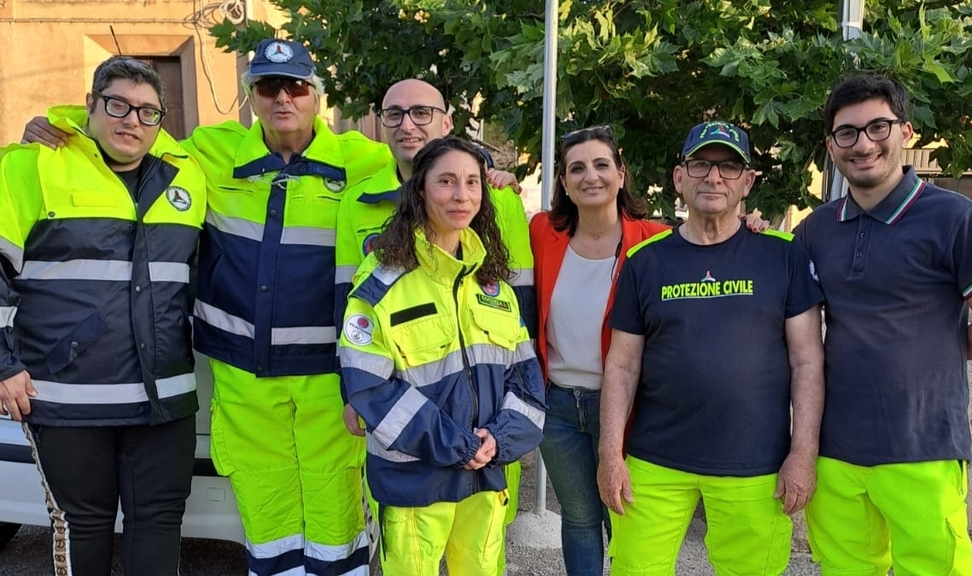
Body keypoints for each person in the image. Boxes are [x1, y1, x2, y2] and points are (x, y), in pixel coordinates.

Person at [19, 38, 394, 575]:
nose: (282, 98)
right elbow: (130, 134)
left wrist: (491, 175)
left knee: (335, 510)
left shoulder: (368, 159)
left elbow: (430, 174)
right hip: (243, 376)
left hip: (327, 375)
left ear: (317, 96)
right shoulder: (206, 152)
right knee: (266, 514)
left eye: (295, 87)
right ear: (251, 97)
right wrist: (63, 127)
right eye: (268, 86)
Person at [796, 74, 972, 576]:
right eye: (847, 133)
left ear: (906, 132)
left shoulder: (955, 217)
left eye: (878, 127)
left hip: (922, 447)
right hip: (835, 452)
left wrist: (926, 353)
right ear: (831, 146)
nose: (863, 144)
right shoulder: (815, 229)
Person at [0, 57, 205, 575]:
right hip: (67, 398)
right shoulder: (31, 165)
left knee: (159, 521)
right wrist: (3, 364)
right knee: (83, 525)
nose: (132, 121)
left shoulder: (189, 173)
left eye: (147, 112)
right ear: (90, 104)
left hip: (164, 401)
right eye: (118, 105)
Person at [597, 120, 826, 575]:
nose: (714, 177)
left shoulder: (783, 254)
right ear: (679, 178)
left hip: (754, 463)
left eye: (729, 167)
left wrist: (803, 453)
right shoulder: (645, 261)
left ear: (748, 181)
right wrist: (609, 454)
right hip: (654, 460)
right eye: (701, 164)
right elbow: (621, 366)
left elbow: (807, 362)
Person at [333, 77, 533, 570]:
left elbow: (526, 377)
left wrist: (499, 439)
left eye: (471, 182)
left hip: (484, 474)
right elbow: (367, 381)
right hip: (414, 481)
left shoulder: (494, 286)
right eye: (445, 181)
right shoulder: (381, 280)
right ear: (418, 191)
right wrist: (456, 445)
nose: (461, 195)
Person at [529, 125, 667, 576]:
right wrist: (499, 181)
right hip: (556, 405)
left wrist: (751, 225)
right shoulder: (542, 232)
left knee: (626, 517)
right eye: (577, 168)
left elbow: (713, 241)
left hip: (627, 406)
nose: (590, 176)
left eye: (601, 164)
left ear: (621, 174)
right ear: (564, 183)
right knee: (579, 518)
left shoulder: (654, 239)